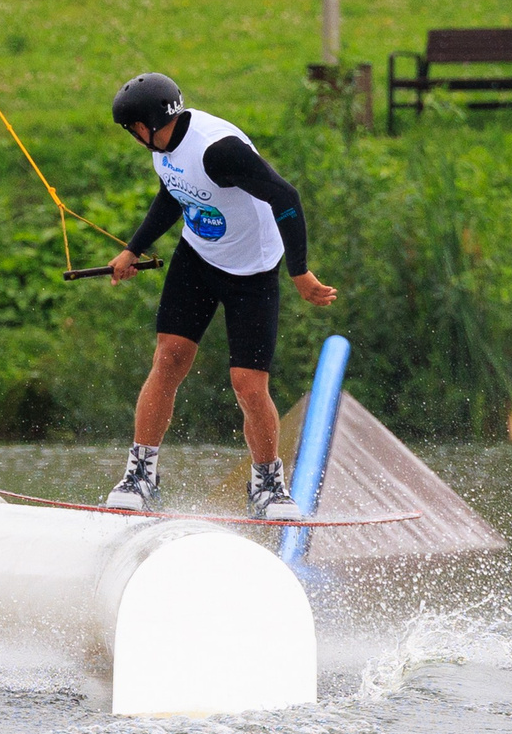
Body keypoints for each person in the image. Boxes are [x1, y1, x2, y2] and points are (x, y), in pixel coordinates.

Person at [102, 72, 338, 520]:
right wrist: (133, 248)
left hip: (253, 271)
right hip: (198, 258)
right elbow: (173, 196)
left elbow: (286, 197)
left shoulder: (219, 150)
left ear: (153, 121)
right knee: (168, 358)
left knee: (248, 385)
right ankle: (141, 475)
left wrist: (300, 272)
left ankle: (268, 485)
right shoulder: (164, 148)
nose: (131, 135)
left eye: (132, 126)